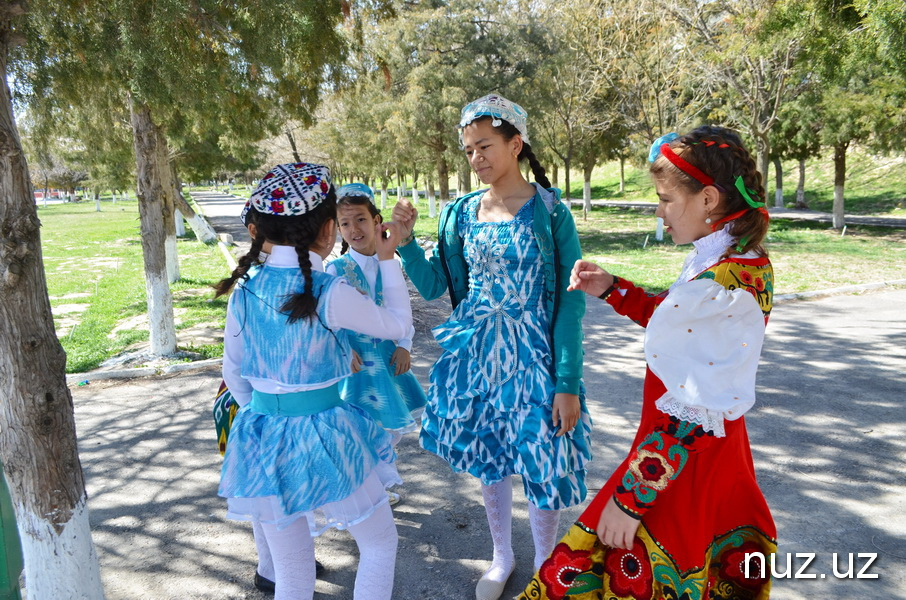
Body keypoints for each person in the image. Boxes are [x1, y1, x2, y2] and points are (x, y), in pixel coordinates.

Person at [519, 126, 777, 600]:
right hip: (716, 453)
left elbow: (690, 415)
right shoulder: (742, 261)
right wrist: (615, 289)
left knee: (615, 573)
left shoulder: (715, 286)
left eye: (665, 199)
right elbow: (684, 327)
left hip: (678, 463)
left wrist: (631, 499)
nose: (659, 211)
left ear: (708, 199)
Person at [392, 94, 591, 600]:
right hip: (476, 357)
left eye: (485, 146)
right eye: (468, 150)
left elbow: (570, 305)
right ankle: (502, 556)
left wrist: (567, 383)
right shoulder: (461, 213)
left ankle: (547, 567)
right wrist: (408, 243)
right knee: (491, 456)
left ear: (515, 144)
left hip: (535, 360)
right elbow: (436, 285)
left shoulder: (551, 213)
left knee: (542, 459)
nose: (476, 157)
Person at [215, 162, 411, 600]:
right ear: (328, 229)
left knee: (293, 572)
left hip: (263, 438)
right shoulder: (330, 291)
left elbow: (234, 373)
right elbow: (398, 325)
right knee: (379, 543)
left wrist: (270, 414)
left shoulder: (245, 290)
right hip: (327, 434)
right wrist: (386, 257)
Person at [325, 183, 428, 506]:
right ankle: (364, 490)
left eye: (360, 220)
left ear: (377, 221)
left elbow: (402, 312)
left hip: (387, 361)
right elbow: (330, 320)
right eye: (344, 224)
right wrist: (343, 347)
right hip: (355, 366)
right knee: (359, 429)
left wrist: (405, 344)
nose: (353, 229)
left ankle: (377, 488)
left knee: (388, 430)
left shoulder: (391, 263)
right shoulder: (335, 270)